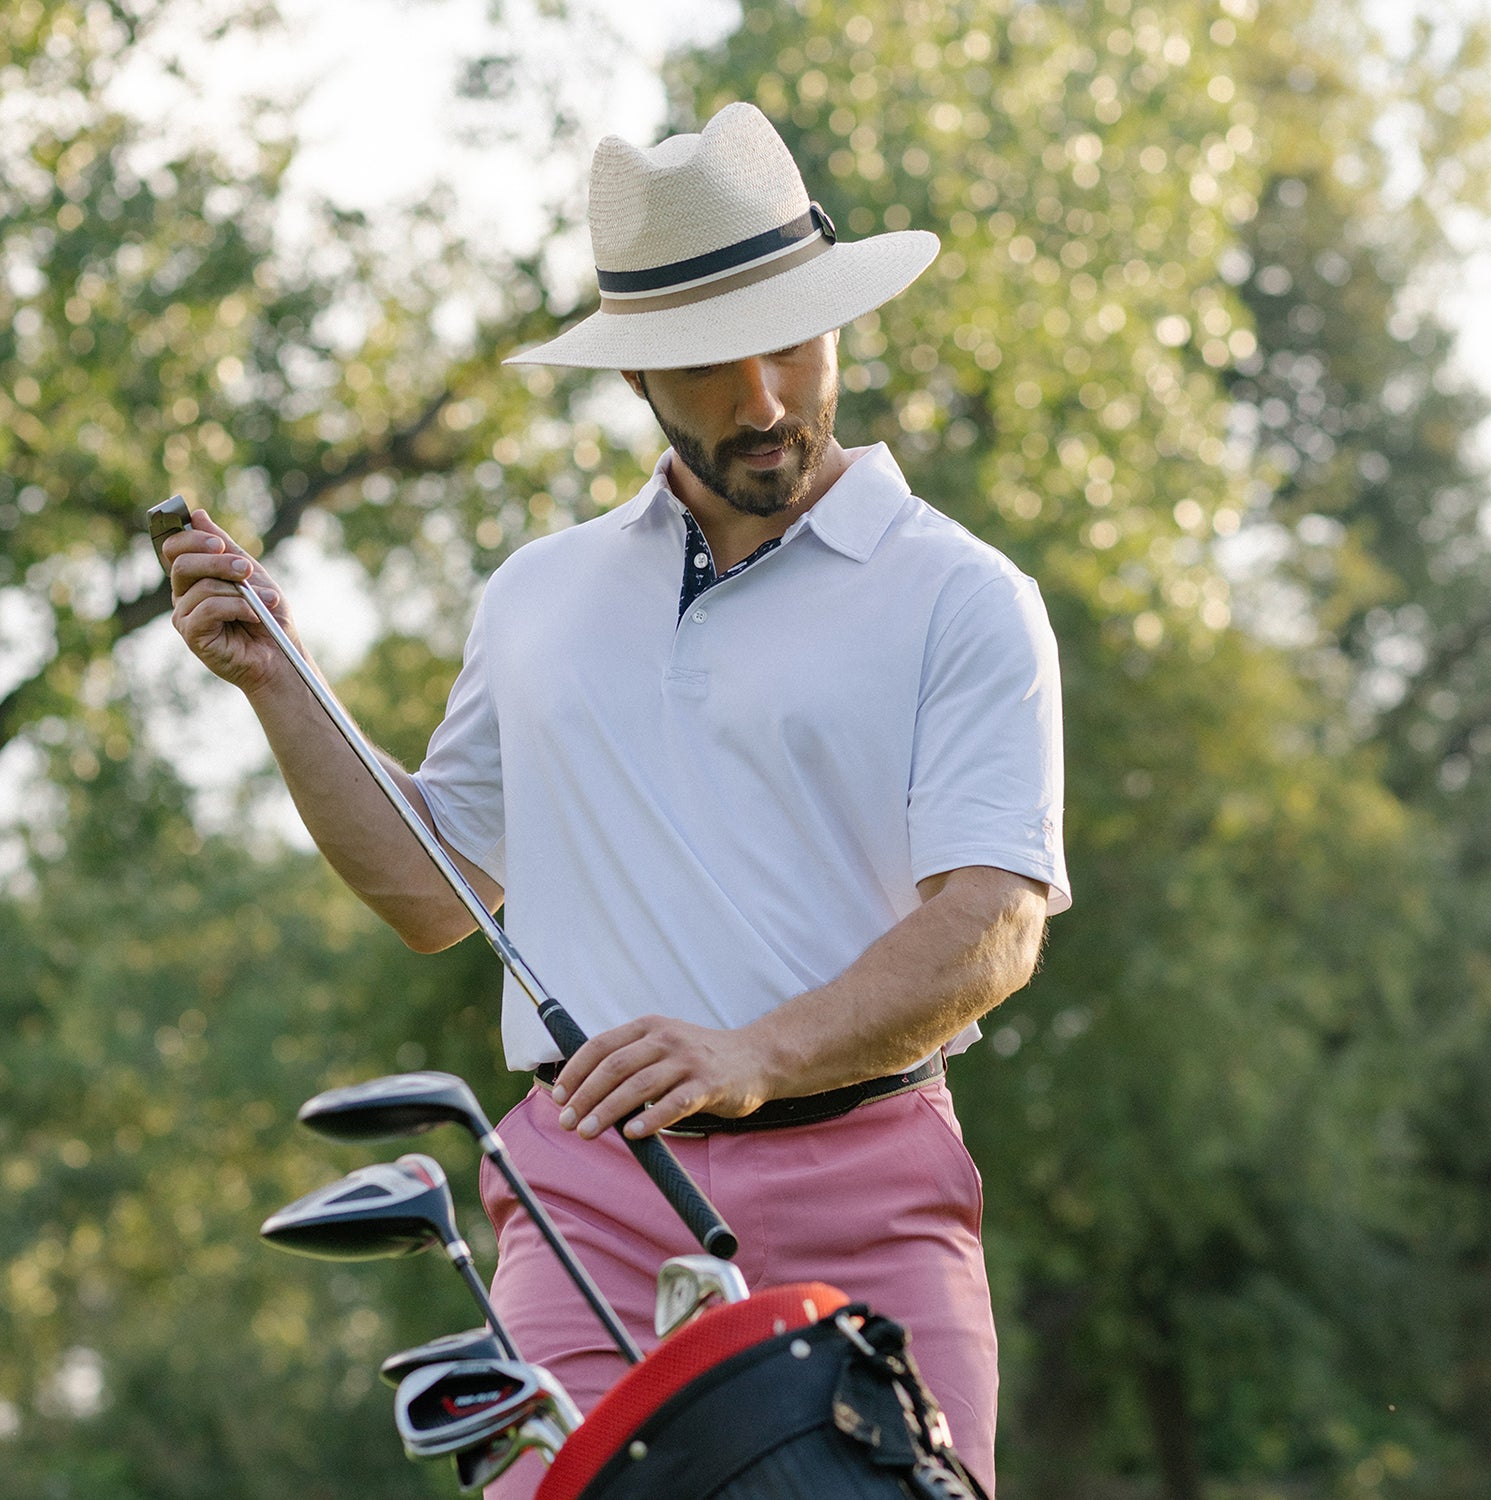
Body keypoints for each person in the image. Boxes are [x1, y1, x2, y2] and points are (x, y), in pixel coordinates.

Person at [163, 102, 1069, 1496]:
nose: (766, 397)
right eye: (713, 363)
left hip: (868, 1196)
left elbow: (994, 922)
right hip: (586, 1203)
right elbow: (431, 890)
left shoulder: (961, 595)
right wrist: (282, 689)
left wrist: (756, 1051)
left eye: (794, 339)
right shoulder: (541, 595)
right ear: (639, 375)